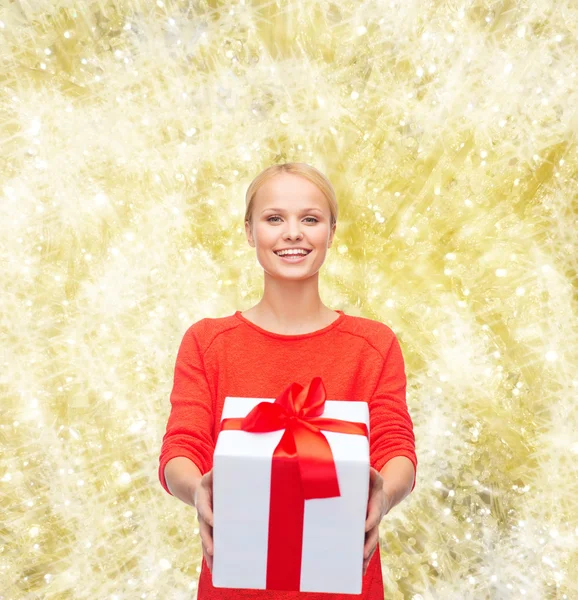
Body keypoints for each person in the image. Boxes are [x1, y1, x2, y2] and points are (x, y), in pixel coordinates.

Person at [158, 162, 418, 599]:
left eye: (310, 219)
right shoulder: (208, 342)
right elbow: (181, 447)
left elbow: (397, 447)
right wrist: (198, 490)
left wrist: (383, 495)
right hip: (235, 587)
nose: (293, 233)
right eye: (274, 218)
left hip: (345, 585)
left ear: (331, 232)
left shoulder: (373, 345)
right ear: (249, 231)